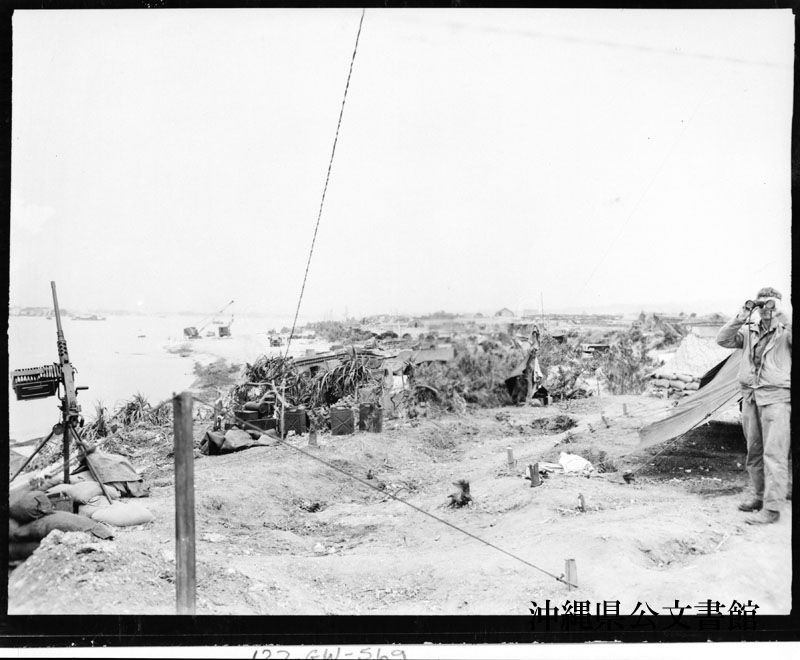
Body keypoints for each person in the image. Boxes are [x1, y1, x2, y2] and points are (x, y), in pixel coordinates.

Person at [716, 287, 791, 525]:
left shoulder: (785, 330)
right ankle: (759, 497)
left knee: (774, 453)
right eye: (762, 305)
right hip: (750, 396)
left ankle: (772, 508)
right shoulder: (751, 330)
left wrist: (781, 314)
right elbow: (723, 339)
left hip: (776, 397)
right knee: (754, 452)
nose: (766, 309)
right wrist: (742, 314)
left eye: (771, 304)